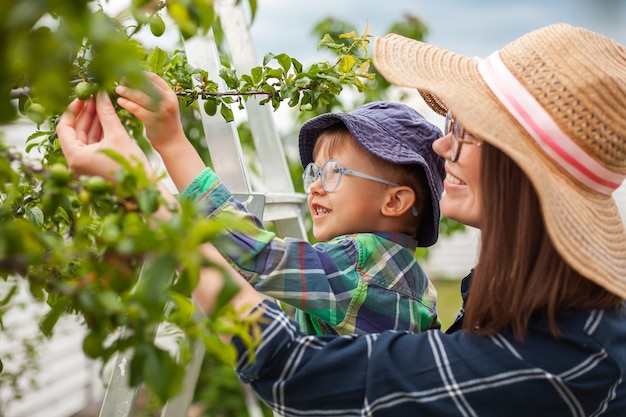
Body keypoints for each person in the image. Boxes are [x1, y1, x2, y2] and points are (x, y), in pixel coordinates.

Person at [56, 23, 626, 416]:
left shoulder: (558, 359)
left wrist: (149, 185)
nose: (445, 145)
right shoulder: (519, 305)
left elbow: (286, 357)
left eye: (467, 130)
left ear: (518, 169)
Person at [113, 73, 445, 336]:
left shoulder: (358, 264)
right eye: (314, 172)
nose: (315, 186)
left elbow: (258, 256)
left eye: (333, 172)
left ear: (395, 201)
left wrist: (171, 143)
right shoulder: (418, 283)